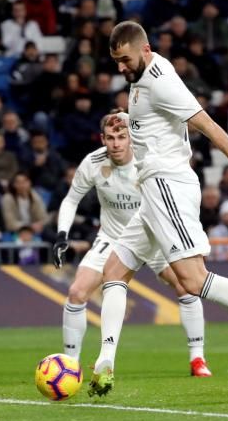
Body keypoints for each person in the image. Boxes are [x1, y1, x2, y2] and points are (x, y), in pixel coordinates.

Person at [92, 20, 228, 397]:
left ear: (144, 50)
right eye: (116, 61)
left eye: (125, 59)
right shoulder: (140, 81)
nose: (121, 68)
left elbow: (208, 125)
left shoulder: (160, 80)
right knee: (113, 272)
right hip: (152, 189)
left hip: (168, 185)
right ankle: (104, 365)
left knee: (192, 280)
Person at [52, 112, 211, 377]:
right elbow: (71, 200)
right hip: (113, 238)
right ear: (102, 138)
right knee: (77, 292)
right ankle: (70, 365)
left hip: (155, 235)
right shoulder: (92, 163)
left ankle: (197, 359)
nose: (116, 144)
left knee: (188, 286)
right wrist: (61, 235)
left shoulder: (149, 158)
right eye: (110, 138)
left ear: (131, 137)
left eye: (122, 137)